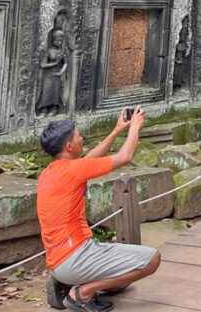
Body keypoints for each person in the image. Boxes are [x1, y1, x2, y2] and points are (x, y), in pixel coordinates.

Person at [38, 107, 160, 312]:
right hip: (76, 256)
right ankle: (82, 293)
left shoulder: (50, 172)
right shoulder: (74, 170)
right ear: (69, 146)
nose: (82, 139)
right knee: (151, 260)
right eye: (78, 136)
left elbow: (88, 162)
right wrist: (135, 127)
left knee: (122, 279)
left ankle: (65, 282)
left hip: (58, 261)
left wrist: (116, 130)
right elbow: (125, 157)